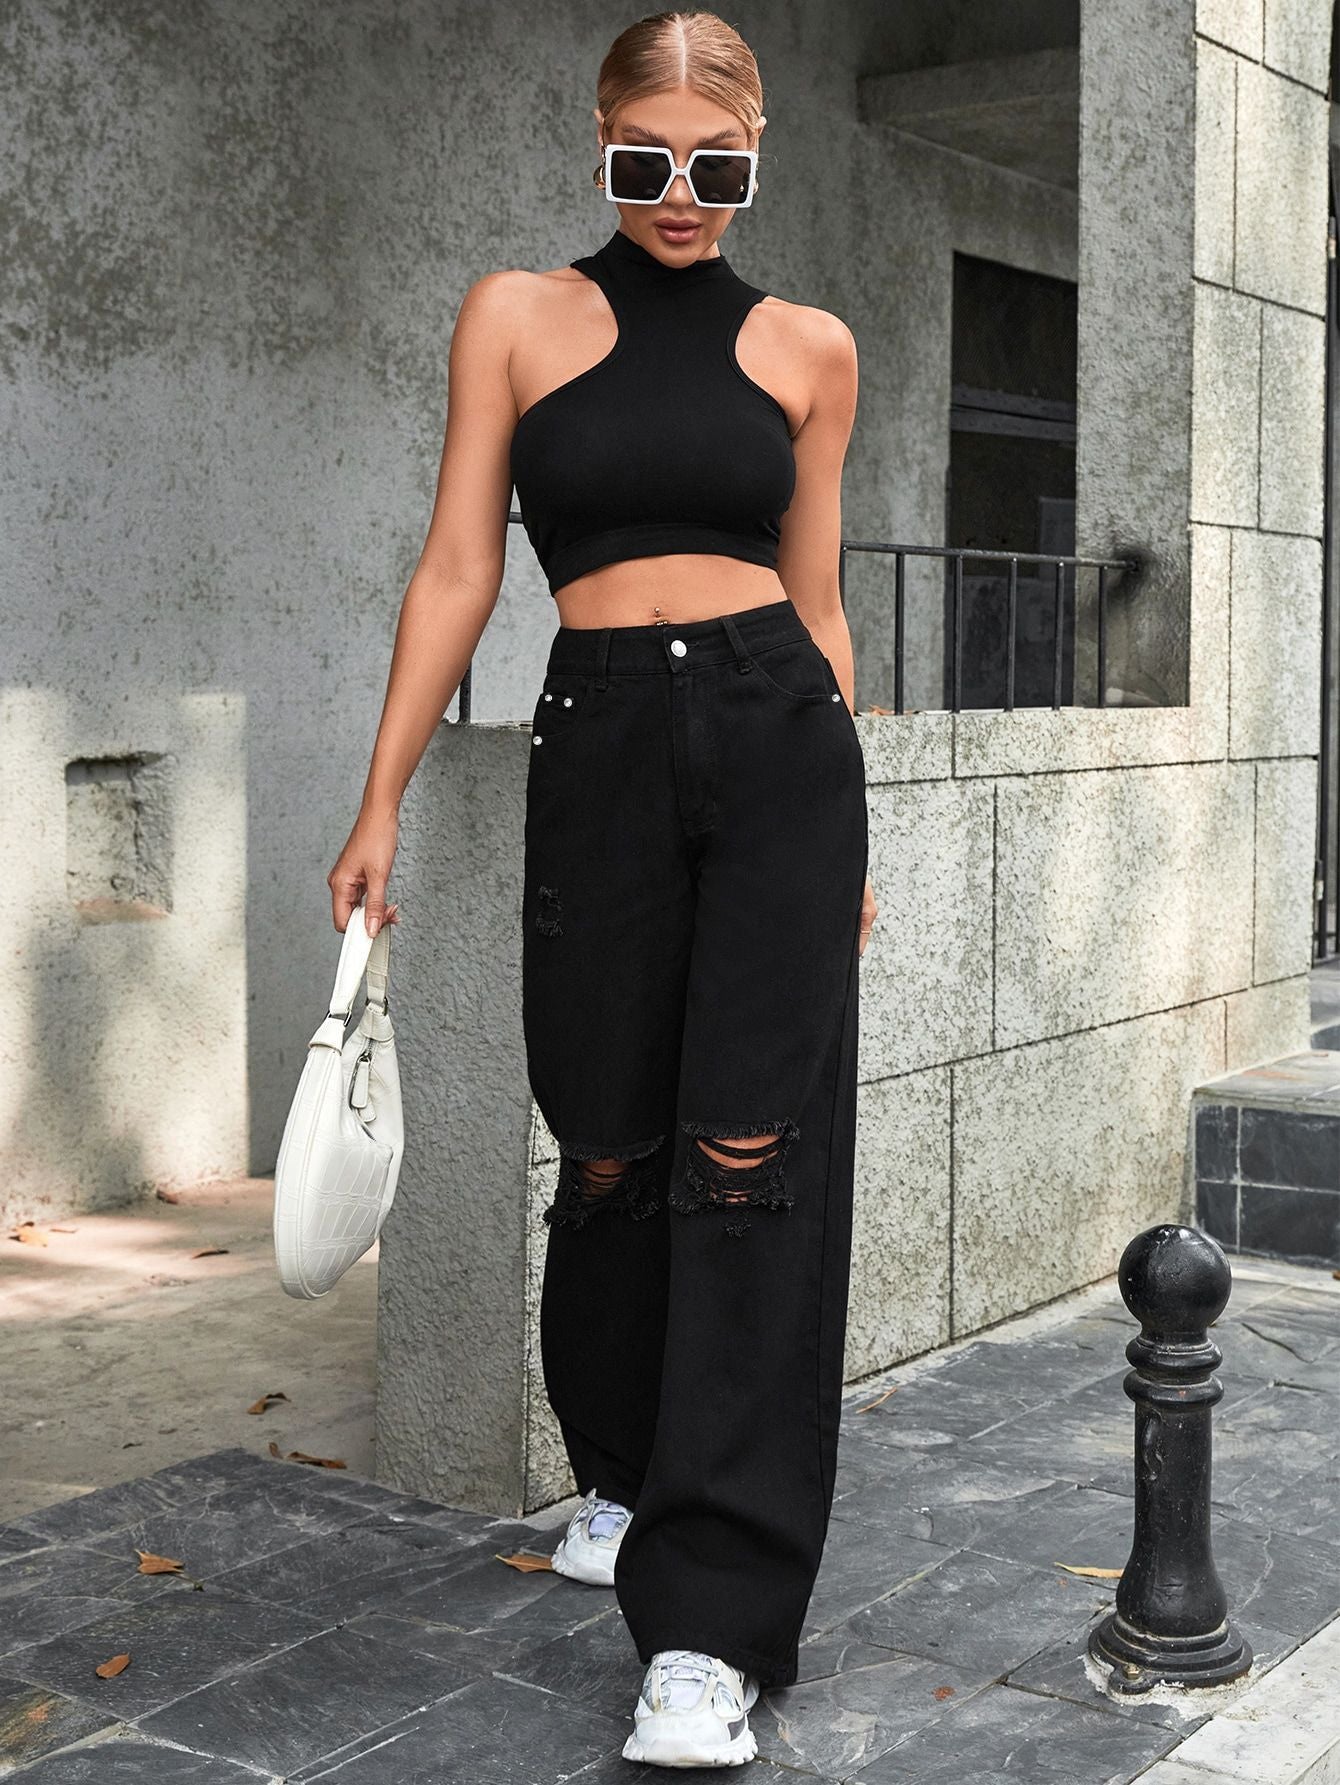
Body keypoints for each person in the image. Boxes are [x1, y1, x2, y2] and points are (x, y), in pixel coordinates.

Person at [327, 8, 877, 1769]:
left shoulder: (810, 347)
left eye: (716, 170)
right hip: (602, 735)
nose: (680, 197)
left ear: (757, 155)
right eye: (645, 163)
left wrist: (853, 843)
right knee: (612, 1144)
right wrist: (381, 798)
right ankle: (627, 1471)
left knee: (748, 1158)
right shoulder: (515, 314)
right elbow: (457, 569)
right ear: (599, 143)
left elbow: (820, 604)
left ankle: (711, 1625)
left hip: (780, 745)